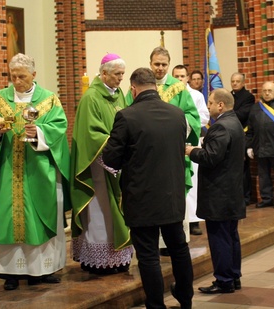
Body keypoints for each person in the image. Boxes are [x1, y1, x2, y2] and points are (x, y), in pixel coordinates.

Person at [0, 53, 70, 291]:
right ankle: (10, 274)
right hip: (7, 170)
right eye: (13, 76)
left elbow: (59, 127)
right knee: (8, 218)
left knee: (38, 217)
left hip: (38, 170)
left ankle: (41, 271)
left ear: (34, 75)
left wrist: (38, 132)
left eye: (22, 76)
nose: (16, 81)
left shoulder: (48, 100)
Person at [103, 68, 194, 309]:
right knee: (179, 248)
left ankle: (156, 306)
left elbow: (111, 159)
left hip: (142, 198)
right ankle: (186, 299)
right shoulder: (177, 115)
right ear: (155, 86)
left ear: (133, 89)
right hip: (173, 196)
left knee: (148, 255)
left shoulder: (127, 116)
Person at [126, 47, 201, 255]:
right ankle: (152, 245)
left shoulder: (178, 88)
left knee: (173, 198)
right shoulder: (138, 86)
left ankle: (172, 245)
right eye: (156, 64)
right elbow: (127, 113)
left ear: (169, 65)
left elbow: (193, 118)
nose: (160, 68)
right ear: (150, 63)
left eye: (164, 64)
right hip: (146, 156)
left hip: (171, 154)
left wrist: (173, 127)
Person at [70, 53, 133, 275]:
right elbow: (91, 134)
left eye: (123, 75)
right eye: (117, 74)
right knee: (101, 212)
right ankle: (100, 260)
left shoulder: (119, 96)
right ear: (104, 73)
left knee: (118, 210)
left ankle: (119, 257)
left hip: (118, 164)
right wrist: (115, 152)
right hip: (98, 166)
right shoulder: (91, 98)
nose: (120, 79)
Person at [185, 88, 246, 294]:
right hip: (231, 191)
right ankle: (234, 276)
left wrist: (192, 151)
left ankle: (223, 280)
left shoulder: (220, 126)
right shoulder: (235, 122)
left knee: (219, 237)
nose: (208, 105)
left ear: (220, 105)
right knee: (231, 236)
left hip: (219, 193)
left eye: (210, 102)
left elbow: (211, 157)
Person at [172, 64, 209, 235]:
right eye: (176, 76)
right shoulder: (167, 93)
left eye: (182, 76)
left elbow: (203, 116)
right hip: (171, 143)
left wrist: (183, 122)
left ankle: (194, 221)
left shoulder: (196, 95)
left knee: (192, 182)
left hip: (190, 141)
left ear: (187, 78)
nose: (179, 79)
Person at [230, 72, 255, 205]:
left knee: (243, 169)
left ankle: (245, 196)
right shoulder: (228, 95)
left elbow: (243, 114)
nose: (234, 83)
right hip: (230, 135)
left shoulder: (248, 97)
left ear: (243, 83)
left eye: (237, 81)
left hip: (242, 134)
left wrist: (227, 113)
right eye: (233, 81)